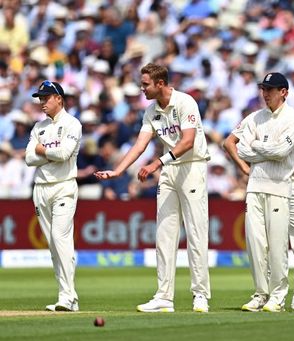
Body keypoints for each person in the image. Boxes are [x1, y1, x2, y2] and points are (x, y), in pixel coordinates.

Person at [94, 63, 211, 313]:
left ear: (160, 83)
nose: (142, 88)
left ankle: (200, 295)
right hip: (169, 170)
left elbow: (188, 141)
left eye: (145, 84)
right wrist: (118, 170)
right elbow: (139, 146)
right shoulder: (151, 111)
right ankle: (164, 297)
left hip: (192, 167)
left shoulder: (185, 102)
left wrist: (158, 162)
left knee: (196, 232)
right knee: (164, 234)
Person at [224, 87, 294, 311]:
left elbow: (286, 150)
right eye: (263, 90)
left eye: (270, 90)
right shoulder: (254, 117)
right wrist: (246, 165)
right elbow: (233, 145)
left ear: (284, 92)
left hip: (287, 184)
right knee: (257, 243)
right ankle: (262, 294)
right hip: (257, 185)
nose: (265, 94)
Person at [25, 80, 82, 312]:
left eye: (46, 98)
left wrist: (42, 150)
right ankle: (69, 297)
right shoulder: (39, 127)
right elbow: (29, 159)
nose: (42, 103)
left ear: (59, 98)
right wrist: (49, 154)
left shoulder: (72, 124)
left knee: (61, 239)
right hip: (40, 188)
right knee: (52, 245)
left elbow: (65, 153)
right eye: (40, 98)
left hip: (64, 186)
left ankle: (66, 297)